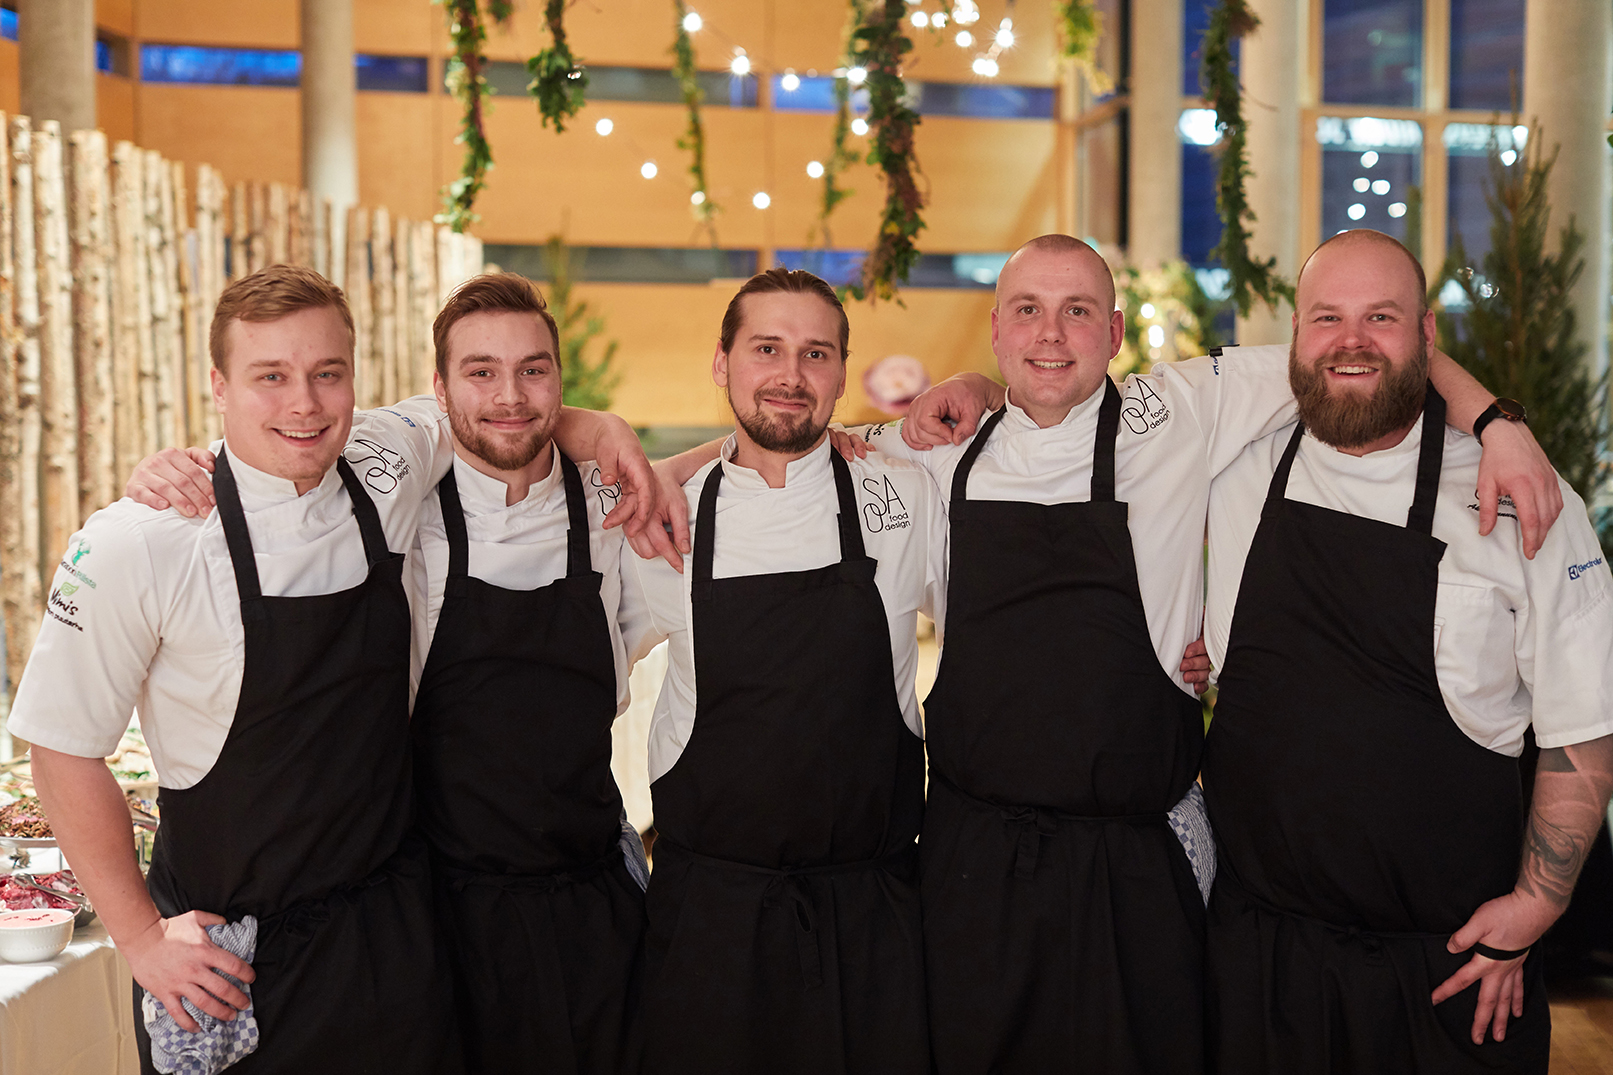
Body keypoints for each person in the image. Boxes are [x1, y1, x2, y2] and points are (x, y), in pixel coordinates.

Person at [850, 233, 1561, 1075]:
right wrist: (968, 387)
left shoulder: (1178, 411)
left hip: (1134, 863)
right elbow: (790, 453)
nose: (1050, 333)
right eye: (1027, 311)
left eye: (1077, 311)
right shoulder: (935, 450)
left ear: (1114, 332)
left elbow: (1362, 349)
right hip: (974, 862)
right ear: (996, 329)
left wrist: (1496, 422)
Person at [11, 266, 465, 1073]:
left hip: (390, 939)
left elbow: (499, 409)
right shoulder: (138, 541)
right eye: (271, 377)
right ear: (218, 386)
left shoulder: (385, 463)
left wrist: (605, 431)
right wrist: (141, 937)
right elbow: (61, 748)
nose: (305, 404)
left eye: (328, 373)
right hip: (229, 966)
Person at [1199, 229, 1613, 1073]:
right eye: (1327, 317)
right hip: (1257, 963)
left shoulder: (1521, 497)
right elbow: (1065, 394)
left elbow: (1583, 723)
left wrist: (1534, 907)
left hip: (1450, 971)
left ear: (1426, 333)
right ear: (1294, 334)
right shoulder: (1234, 455)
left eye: (1380, 317)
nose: (1350, 340)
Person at [626, 268, 944, 1074]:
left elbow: (1009, 619)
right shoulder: (661, 522)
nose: (790, 375)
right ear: (721, 361)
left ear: (841, 372)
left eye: (815, 353)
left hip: (871, 924)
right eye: (765, 348)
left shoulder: (907, 499)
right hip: (710, 929)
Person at [407, 273, 650, 1074]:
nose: (510, 395)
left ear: (558, 379)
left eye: (532, 370)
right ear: (438, 388)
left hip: (594, 909)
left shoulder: (611, 511)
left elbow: (718, 487)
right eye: (481, 371)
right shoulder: (400, 517)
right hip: (442, 915)